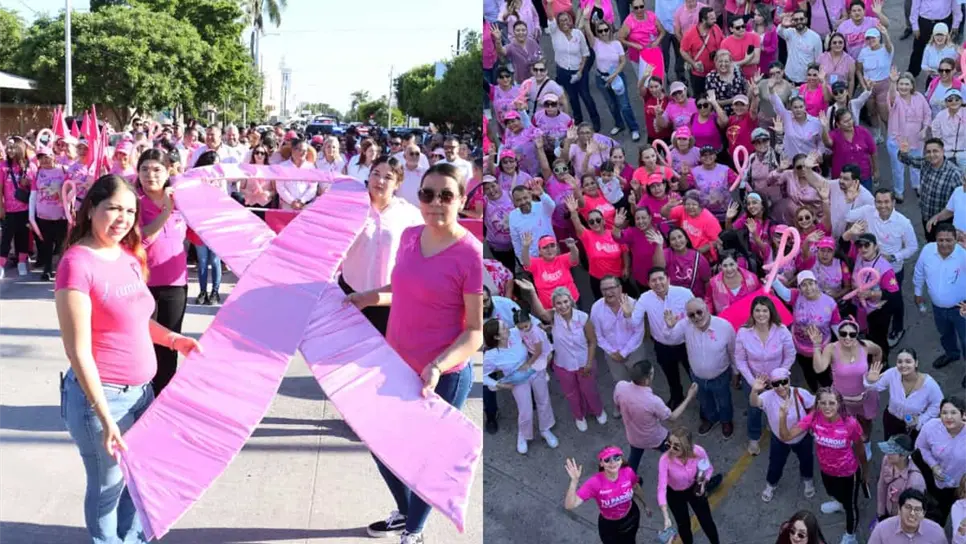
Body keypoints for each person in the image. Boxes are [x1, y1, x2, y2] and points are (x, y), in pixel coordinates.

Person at [56, 174, 202, 543]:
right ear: (91, 209)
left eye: (130, 210)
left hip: (142, 393)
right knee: (108, 487)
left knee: (139, 478)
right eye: (113, 209)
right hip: (102, 399)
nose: (122, 218)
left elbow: (138, 319)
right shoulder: (77, 264)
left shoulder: (127, 255)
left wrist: (174, 340)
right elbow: (78, 350)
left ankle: (132, 538)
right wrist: (105, 418)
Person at [348, 164, 483, 544]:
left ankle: (415, 531)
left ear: (460, 200)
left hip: (443, 375)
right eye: (428, 194)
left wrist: (438, 365)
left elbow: (474, 332)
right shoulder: (408, 236)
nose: (435, 203)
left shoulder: (470, 254)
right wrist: (369, 297)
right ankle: (407, 513)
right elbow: (405, 287)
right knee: (379, 443)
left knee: (426, 459)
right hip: (396, 363)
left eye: (445, 195)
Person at [341, 156, 423, 335]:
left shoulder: (409, 214)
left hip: (386, 299)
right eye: (376, 174)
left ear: (398, 183)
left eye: (388, 177)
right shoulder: (351, 208)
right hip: (351, 291)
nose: (380, 181)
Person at [779, 387, 867, 544]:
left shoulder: (850, 423)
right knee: (833, 493)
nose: (827, 407)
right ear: (817, 404)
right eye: (823, 403)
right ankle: (839, 504)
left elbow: (860, 448)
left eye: (832, 403)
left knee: (851, 506)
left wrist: (865, 470)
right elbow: (786, 436)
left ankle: (850, 535)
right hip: (826, 470)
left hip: (848, 473)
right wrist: (782, 417)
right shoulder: (813, 418)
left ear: (839, 404)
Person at [136, 149, 190, 395]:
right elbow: (142, 240)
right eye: (145, 169)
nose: (150, 174)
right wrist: (166, 210)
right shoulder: (134, 204)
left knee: (170, 343)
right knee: (145, 344)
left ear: (168, 172)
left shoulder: (182, 201)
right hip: (142, 285)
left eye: (156, 169)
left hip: (176, 284)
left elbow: (197, 237)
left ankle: (164, 398)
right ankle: (143, 397)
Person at [522, 281, 606, 432]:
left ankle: (598, 411)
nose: (563, 306)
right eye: (558, 303)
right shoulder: (554, 317)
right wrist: (532, 292)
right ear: (554, 305)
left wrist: (588, 363)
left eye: (565, 301)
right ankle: (579, 416)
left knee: (590, 390)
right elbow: (541, 313)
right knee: (572, 394)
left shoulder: (583, 318)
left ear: (571, 301)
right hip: (563, 365)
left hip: (584, 363)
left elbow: (592, 341)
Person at [845, 191, 918, 348]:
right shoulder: (867, 211)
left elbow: (913, 247)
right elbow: (848, 216)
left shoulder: (904, 223)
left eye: (886, 202)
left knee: (894, 300)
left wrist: (893, 256)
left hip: (892, 269)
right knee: (866, 298)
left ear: (893, 203)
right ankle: (867, 325)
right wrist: (851, 200)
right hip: (867, 265)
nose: (882, 206)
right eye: (879, 202)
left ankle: (897, 329)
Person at [811, 316, 883, 461]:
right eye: (843, 333)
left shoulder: (865, 346)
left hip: (865, 395)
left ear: (857, 335)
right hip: (841, 398)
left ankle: (866, 443)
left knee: (865, 422)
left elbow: (878, 351)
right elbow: (819, 368)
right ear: (839, 334)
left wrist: (875, 370)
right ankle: (849, 442)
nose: (847, 337)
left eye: (852, 334)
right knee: (844, 423)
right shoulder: (831, 348)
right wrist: (817, 346)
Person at [482, 317, 557, 454]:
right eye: (503, 328)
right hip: (516, 381)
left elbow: (529, 321)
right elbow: (482, 376)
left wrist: (547, 350)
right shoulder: (491, 356)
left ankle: (545, 429)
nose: (508, 328)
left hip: (533, 369)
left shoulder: (515, 332)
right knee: (525, 410)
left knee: (543, 400)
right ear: (497, 337)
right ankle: (523, 434)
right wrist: (500, 385)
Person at [665, 298, 736, 438]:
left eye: (699, 312)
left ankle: (726, 421)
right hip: (697, 376)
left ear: (707, 309)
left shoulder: (725, 326)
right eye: (691, 315)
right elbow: (671, 339)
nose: (696, 317)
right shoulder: (685, 325)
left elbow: (733, 351)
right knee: (704, 402)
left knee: (724, 401)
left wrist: (736, 372)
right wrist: (670, 326)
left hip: (720, 376)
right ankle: (712, 419)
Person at [736, 296, 796, 456]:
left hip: (778, 380)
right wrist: (752, 381)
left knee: (778, 407)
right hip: (754, 379)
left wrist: (779, 375)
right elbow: (740, 360)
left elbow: (790, 354)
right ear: (752, 312)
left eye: (765, 310)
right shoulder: (743, 332)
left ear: (771, 312)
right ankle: (754, 438)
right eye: (757, 310)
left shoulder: (782, 330)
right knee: (754, 409)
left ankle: (775, 426)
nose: (761, 314)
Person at [614, 360, 698, 474]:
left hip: (633, 436)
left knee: (634, 458)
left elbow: (618, 405)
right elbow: (672, 417)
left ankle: (626, 481)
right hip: (655, 438)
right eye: (652, 373)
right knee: (679, 450)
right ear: (647, 380)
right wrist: (689, 396)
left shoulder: (620, 387)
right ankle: (694, 474)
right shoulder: (653, 401)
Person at [751, 368, 817, 502]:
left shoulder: (800, 393)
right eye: (776, 384)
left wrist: (809, 422)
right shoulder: (768, 396)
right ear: (771, 385)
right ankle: (771, 484)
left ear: (789, 380)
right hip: (779, 439)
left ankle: (808, 480)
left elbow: (814, 406)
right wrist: (754, 391)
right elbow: (754, 402)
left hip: (802, 436)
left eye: (784, 382)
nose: (780, 386)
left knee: (806, 460)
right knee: (775, 463)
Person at [564, 446, 651, 544]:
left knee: (631, 540)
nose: (612, 462)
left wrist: (645, 505)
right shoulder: (594, 483)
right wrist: (574, 481)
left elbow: (636, 488)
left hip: (631, 516)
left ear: (621, 460)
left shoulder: (628, 472)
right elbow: (569, 505)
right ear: (601, 463)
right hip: (610, 525)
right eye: (607, 459)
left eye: (616, 458)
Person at [914, 223, 966, 372]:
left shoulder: (963, 255)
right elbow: (919, 272)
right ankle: (952, 354)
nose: (944, 244)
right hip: (937, 308)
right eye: (940, 240)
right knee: (945, 334)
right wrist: (917, 293)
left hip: (961, 308)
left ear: (956, 240)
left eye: (948, 240)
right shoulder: (927, 250)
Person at [657, 427, 722, 544]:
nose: (671, 449)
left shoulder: (699, 451)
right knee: (683, 525)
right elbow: (661, 488)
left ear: (686, 447)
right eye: (669, 444)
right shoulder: (665, 460)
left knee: (706, 521)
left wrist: (704, 483)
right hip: (675, 494)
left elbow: (708, 469)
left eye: (676, 446)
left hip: (695, 488)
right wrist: (666, 516)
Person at [591, 275, 645, 410]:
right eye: (604, 289)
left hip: (634, 350)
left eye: (611, 288)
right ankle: (624, 407)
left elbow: (638, 332)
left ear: (620, 288)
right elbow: (597, 334)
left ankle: (643, 406)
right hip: (612, 354)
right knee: (621, 383)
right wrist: (612, 352)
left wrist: (624, 351)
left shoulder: (633, 304)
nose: (608, 292)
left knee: (641, 380)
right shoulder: (596, 308)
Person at [865, 349, 943, 442]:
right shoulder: (893, 373)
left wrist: (921, 420)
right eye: (899, 362)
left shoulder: (929, 385)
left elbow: (938, 405)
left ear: (916, 363)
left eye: (908, 361)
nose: (903, 365)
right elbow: (875, 387)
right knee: (890, 447)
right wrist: (870, 381)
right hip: (891, 420)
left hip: (912, 427)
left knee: (907, 451)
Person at [583, 18, 640, 141]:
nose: (603, 33)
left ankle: (634, 128)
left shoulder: (617, 44)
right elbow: (587, 30)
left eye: (605, 30)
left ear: (610, 30)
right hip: (601, 78)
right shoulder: (596, 43)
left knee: (624, 105)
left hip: (616, 77)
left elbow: (623, 61)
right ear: (597, 32)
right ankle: (619, 124)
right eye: (600, 31)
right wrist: (586, 17)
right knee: (611, 104)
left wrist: (613, 75)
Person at [547, 6, 601, 131]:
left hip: (579, 70)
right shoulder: (555, 34)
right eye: (561, 21)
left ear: (571, 20)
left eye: (566, 20)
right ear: (558, 24)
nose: (564, 23)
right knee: (572, 98)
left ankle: (595, 120)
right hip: (563, 71)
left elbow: (585, 53)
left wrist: (580, 72)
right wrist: (549, 4)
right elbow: (550, 17)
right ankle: (578, 120)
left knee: (586, 96)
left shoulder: (578, 34)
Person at [914, 396, 966, 526]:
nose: (948, 417)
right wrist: (934, 465)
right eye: (944, 412)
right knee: (924, 503)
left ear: (963, 414)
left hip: (956, 484)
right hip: (930, 476)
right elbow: (921, 448)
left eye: (953, 412)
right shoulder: (931, 427)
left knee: (944, 510)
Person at [887, 71, 933, 204]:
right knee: (898, 168)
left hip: (916, 140)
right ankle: (898, 191)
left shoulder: (919, 97)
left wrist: (925, 129)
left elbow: (927, 113)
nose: (904, 87)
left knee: (916, 166)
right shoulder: (894, 96)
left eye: (907, 84)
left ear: (912, 86)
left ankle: (917, 185)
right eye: (901, 84)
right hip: (897, 141)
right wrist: (892, 82)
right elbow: (891, 98)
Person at [28, 145, 68, 281]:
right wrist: (31, 216)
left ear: (53, 157)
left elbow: (70, 190)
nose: (44, 160)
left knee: (61, 243)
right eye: (41, 158)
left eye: (46, 157)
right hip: (43, 216)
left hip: (61, 215)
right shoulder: (38, 173)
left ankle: (61, 269)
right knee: (47, 243)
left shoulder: (63, 170)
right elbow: (33, 196)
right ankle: (47, 269)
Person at [0, 137, 34, 278]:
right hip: (8, 210)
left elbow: (36, 188)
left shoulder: (28, 166)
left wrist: (27, 183)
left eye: (13, 147)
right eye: (8, 147)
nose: (9, 150)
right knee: (6, 238)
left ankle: (21, 262)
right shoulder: (2, 166)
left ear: (20, 149)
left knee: (23, 237)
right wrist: (1, 207)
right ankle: (1, 265)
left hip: (25, 209)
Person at [874, 435, 927, 520]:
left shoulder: (915, 481)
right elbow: (881, 485)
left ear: (903, 456)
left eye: (892, 452)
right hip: (887, 509)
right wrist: (881, 513)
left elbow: (912, 510)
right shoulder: (887, 460)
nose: (887, 454)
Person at [856, 26, 894, 143]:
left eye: (874, 38)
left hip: (883, 85)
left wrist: (886, 34)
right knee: (872, 112)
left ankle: (891, 137)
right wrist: (863, 85)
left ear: (879, 38)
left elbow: (889, 45)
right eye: (868, 38)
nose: (871, 41)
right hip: (869, 86)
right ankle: (877, 135)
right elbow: (858, 70)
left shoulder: (886, 50)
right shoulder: (864, 51)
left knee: (884, 115)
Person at [868, 489, 947, 544]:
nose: (912, 513)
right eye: (908, 507)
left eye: (917, 509)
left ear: (923, 513)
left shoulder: (937, 533)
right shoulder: (882, 530)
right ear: (899, 509)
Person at [908, 0, 961, 78]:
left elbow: (956, 6)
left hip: (944, 22)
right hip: (925, 23)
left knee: (945, 49)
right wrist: (915, 26)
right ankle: (912, 73)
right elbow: (915, 7)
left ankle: (943, 74)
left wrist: (956, 24)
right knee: (918, 50)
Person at [680, 7, 724, 97]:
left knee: (715, 96)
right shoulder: (690, 34)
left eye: (714, 17)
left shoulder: (716, 28)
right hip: (698, 74)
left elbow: (723, 42)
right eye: (712, 19)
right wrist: (693, 63)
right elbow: (682, 50)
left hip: (715, 72)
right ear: (703, 20)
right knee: (700, 97)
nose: (715, 20)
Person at [509, 183, 555, 264]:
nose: (523, 202)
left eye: (525, 198)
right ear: (514, 201)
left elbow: (552, 205)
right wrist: (523, 261)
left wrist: (541, 194)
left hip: (551, 253)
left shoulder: (542, 206)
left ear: (530, 196)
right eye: (518, 200)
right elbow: (516, 241)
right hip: (534, 260)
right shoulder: (512, 216)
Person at [778, 10, 823, 85]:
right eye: (796, 19)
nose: (799, 21)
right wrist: (783, 24)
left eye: (801, 19)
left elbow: (818, 60)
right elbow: (779, 31)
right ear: (793, 21)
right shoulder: (789, 33)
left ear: (806, 20)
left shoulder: (815, 37)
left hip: (806, 80)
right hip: (789, 77)